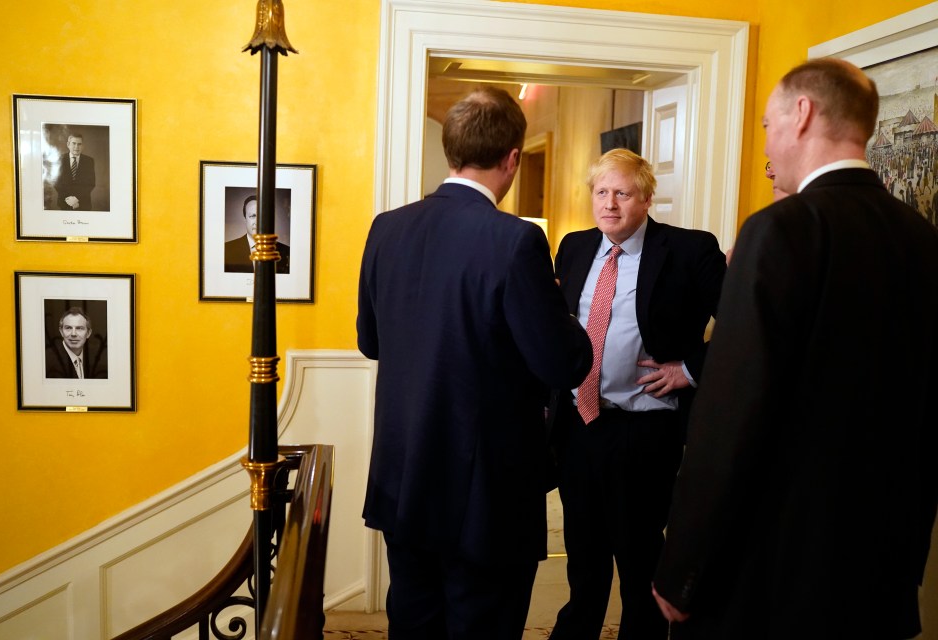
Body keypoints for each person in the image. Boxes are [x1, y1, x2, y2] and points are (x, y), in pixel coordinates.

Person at [652, 58, 938, 640]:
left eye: (765, 124)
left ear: (801, 114)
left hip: (769, 577)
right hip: (880, 570)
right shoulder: (921, 237)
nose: (767, 141)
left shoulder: (780, 228)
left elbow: (729, 417)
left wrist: (681, 571)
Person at [356, 85, 592, 640]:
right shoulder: (515, 241)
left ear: (450, 149)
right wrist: (557, 307)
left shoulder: (386, 228)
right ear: (513, 158)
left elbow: (371, 341)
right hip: (485, 489)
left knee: (413, 623)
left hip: (404, 470)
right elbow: (564, 365)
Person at [548, 148, 726, 640]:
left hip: (644, 429)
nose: (609, 204)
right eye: (601, 192)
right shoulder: (575, 246)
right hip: (580, 424)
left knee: (638, 557)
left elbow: (741, 324)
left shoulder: (689, 250)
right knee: (583, 554)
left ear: (646, 198)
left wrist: (690, 369)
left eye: (622, 193)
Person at [224, 194, 291, 273]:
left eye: (263, 216)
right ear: (245, 218)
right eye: (253, 216)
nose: (258, 221)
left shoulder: (287, 252)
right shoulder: (226, 250)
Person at [45, 307, 108, 379]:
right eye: (68, 328)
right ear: (61, 332)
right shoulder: (48, 360)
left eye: (79, 328)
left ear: (88, 333)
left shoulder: (98, 360)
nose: (73, 334)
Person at [53, 133, 96, 211]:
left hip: (83, 203)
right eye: (74, 143)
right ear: (68, 144)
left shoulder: (89, 161)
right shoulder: (59, 159)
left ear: (83, 146)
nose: (76, 147)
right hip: (64, 203)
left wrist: (76, 199)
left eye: (79, 144)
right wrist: (69, 200)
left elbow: (91, 183)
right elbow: (56, 182)